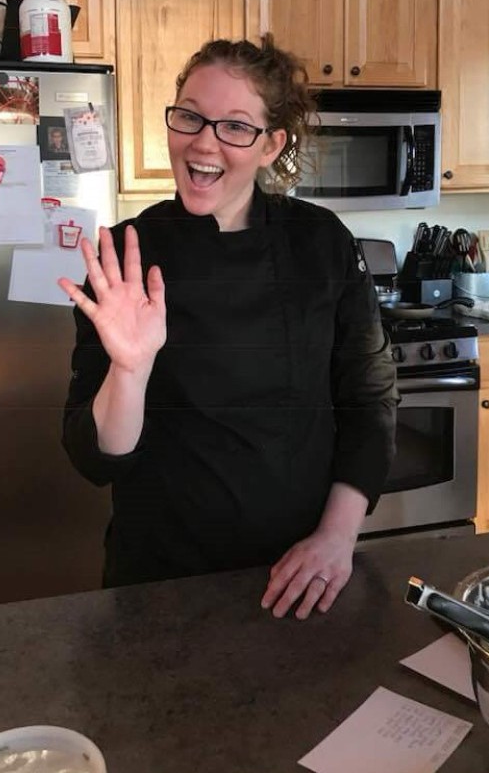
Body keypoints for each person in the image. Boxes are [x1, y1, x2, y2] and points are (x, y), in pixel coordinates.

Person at [59, 35, 398, 620]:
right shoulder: (125, 258)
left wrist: (338, 538)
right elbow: (96, 461)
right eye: (190, 116)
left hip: (301, 576)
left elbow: (369, 400)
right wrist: (130, 368)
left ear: (271, 145)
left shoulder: (321, 244)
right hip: (160, 583)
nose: (202, 142)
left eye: (235, 127)